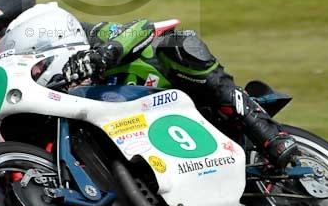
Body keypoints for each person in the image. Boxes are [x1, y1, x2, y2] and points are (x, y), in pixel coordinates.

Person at [64, 18, 298, 168]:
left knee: (178, 44)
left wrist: (105, 53)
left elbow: (142, 27)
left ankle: (269, 135)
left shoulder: (81, 35)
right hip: (134, 133)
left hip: (172, 91)